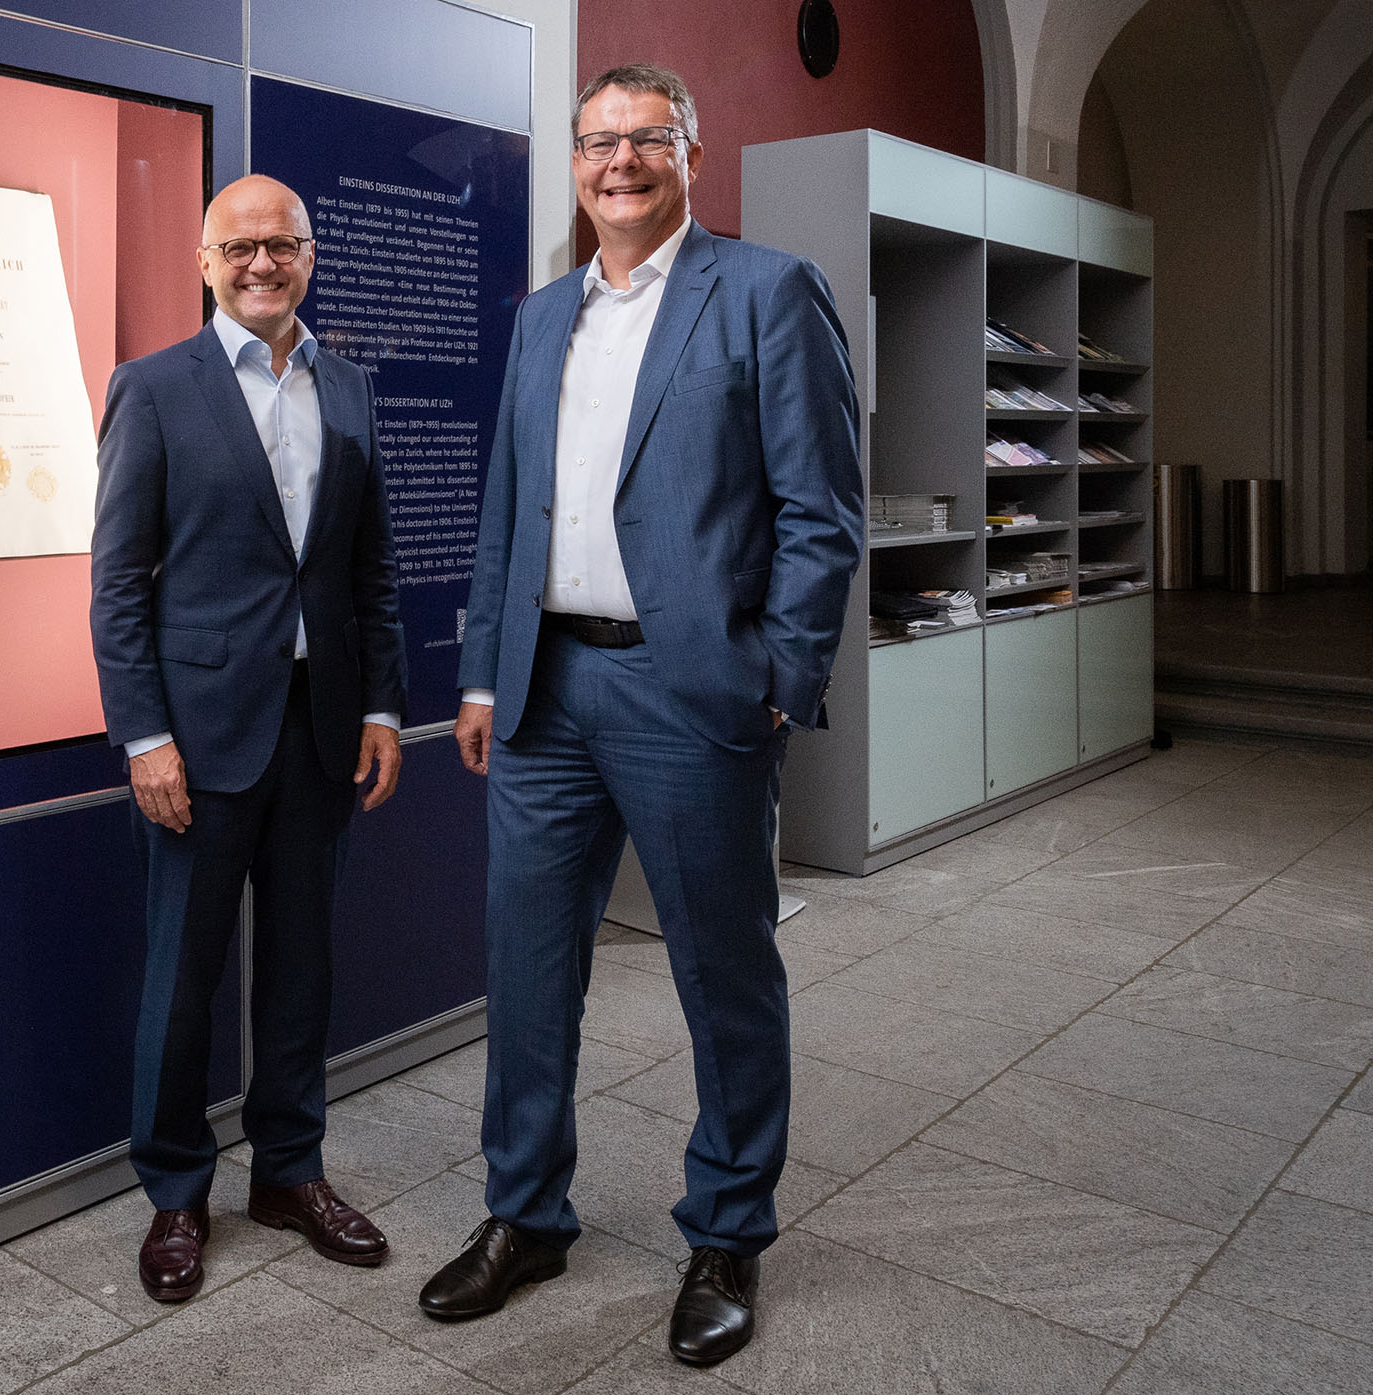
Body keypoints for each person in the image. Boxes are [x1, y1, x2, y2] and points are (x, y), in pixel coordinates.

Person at [417, 64, 862, 1367]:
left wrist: (779, 672)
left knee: (722, 971)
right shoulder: (542, 316)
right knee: (530, 966)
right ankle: (525, 1211)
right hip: (547, 692)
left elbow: (821, 511)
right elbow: (511, 508)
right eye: (598, 141)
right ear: (575, 163)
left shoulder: (767, 292)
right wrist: (485, 675)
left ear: (689, 150)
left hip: (694, 692)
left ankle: (727, 1228)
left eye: (644, 139)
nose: (620, 160)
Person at [89, 174, 409, 1304]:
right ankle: (176, 1192)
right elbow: (117, 584)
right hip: (199, 736)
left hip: (318, 731)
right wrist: (142, 736)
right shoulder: (154, 388)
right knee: (182, 976)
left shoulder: (349, 386)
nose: (260, 264)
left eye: (280, 245)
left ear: (309, 257)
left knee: (300, 967)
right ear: (203, 260)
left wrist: (379, 706)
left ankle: (288, 1172)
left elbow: (368, 569)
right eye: (239, 248)